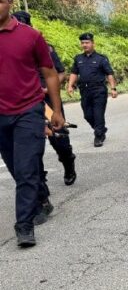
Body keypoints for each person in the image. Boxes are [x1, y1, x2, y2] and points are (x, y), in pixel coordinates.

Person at [0, 0, 65, 247]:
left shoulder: (30, 36)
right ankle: (41, 198)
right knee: (16, 167)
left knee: (26, 168)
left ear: (9, 3)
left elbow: (50, 73)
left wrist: (56, 110)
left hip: (28, 110)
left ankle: (24, 226)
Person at [12, 11, 77, 186]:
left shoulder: (44, 47)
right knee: (30, 145)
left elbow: (60, 73)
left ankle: (68, 161)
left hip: (48, 100)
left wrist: (48, 89)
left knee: (59, 139)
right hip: (25, 102)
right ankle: (40, 185)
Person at [67, 33, 118, 147]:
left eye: (87, 43)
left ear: (93, 43)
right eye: (83, 43)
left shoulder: (101, 59)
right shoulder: (78, 58)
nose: (85, 45)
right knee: (88, 115)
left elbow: (109, 74)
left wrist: (113, 88)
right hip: (85, 91)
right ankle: (101, 129)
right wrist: (70, 86)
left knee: (98, 114)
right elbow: (74, 73)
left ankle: (99, 136)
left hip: (99, 90)